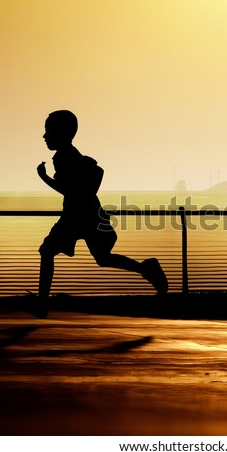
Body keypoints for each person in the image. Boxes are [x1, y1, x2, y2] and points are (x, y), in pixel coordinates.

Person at [33, 109, 168, 318]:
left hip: (78, 215)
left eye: (48, 130)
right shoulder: (68, 156)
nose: (44, 136)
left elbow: (69, 189)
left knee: (48, 250)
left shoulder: (63, 158)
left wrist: (44, 178)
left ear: (62, 132)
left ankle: (42, 303)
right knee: (102, 258)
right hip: (87, 213)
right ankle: (146, 269)